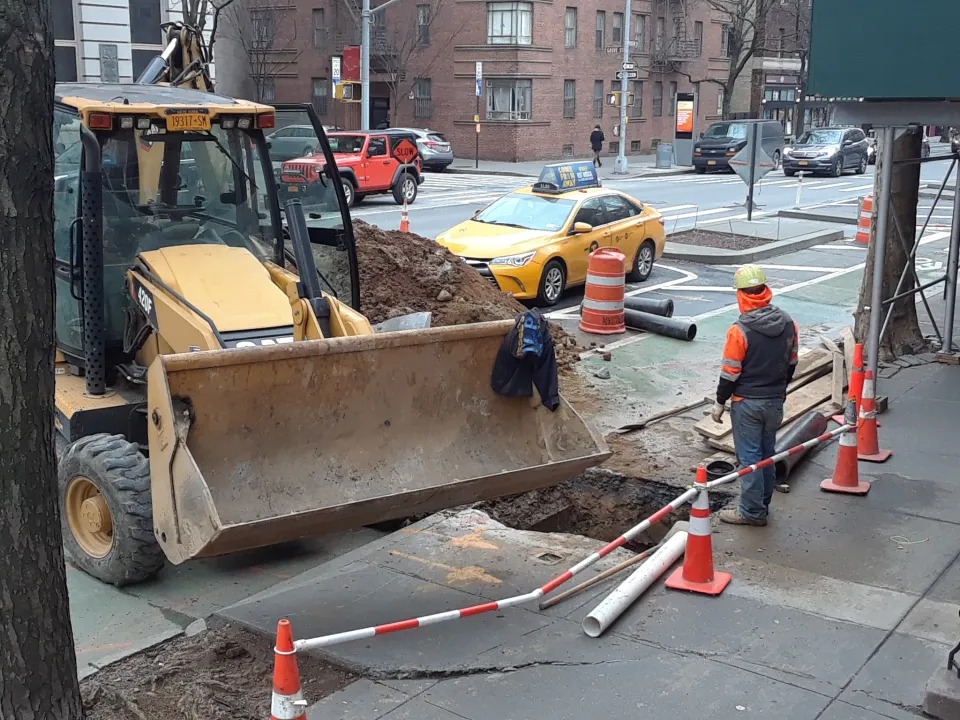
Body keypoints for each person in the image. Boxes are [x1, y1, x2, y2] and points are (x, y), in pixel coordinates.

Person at [711, 265, 799, 527]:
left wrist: (719, 403)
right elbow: (792, 363)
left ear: (741, 295)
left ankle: (751, 513)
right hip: (774, 401)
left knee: (749, 459)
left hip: (747, 403)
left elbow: (730, 373)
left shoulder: (739, 331)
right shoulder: (788, 323)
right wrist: (779, 390)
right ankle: (763, 506)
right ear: (765, 291)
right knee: (767, 454)